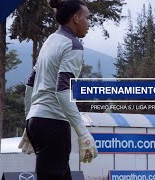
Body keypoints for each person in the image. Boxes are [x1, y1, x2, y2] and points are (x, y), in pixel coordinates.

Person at [17, 0, 98, 179]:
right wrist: (83, 132)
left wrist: (30, 119)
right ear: (76, 19)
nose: (89, 23)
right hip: (52, 124)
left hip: (37, 122)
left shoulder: (50, 41)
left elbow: (30, 84)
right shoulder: (73, 45)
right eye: (87, 18)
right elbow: (62, 90)